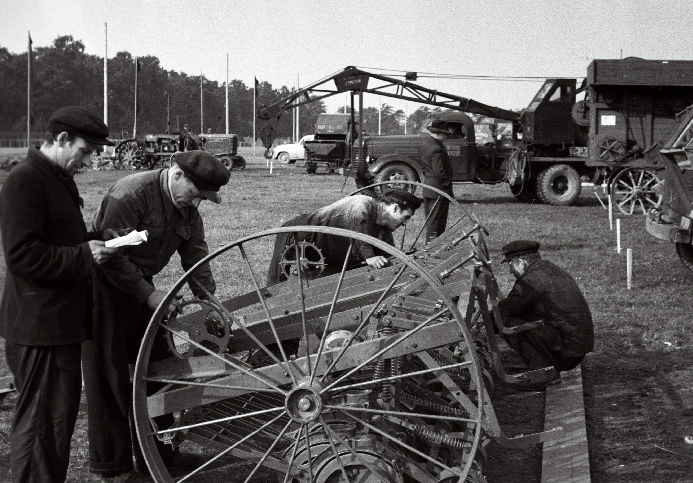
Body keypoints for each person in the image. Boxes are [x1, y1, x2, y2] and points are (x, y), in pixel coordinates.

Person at [81, 150, 230, 482]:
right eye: (195, 194)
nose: (195, 204)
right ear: (177, 174)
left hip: (137, 285)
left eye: (203, 199)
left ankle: (158, 455)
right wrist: (149, 295)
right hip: (100, 286)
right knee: (110, 376)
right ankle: (113, 469)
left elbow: (196, 254)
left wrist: (210, 302)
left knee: (157, 365)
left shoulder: (188, 209)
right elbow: (110, 254)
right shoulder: (132, 193)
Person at [0, 106, 118, 483]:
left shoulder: (56, 178)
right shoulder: (26, 181)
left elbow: (57, 239)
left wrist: (93, 242)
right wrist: (85, 255)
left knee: (55, 429)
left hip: (59, 326)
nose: (88, 160)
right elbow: (23, 257)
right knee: (41, 433)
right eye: (85, 151)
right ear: (62, 139)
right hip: (41, 331)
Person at [267, 189, 422, 284]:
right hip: (297, 235)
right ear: (395, 208)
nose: (404, 224)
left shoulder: (383, 226)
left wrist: (404, 261)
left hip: (325, 251)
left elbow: (387, 251)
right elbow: (357, 229)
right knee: (279, 284)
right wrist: (369, 257)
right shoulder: (362, 205)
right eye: (406, 217)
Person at [497, 240, 594, 388]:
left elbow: (505, 311)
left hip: (567, 352)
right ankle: (541, 368)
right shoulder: (549, 269)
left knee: (506, 323)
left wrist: (480, 321)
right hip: (576, 346)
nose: (510, 270)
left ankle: (542, 374)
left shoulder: (530, 281)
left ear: (521, 262)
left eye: (510, 263)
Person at [420, 118, 454, 243]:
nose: (445, 136)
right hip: (439, 190)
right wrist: (446, 186)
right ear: (439, 133)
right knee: (436, 222)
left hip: (429, 187)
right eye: (445, 134)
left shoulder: (426, 144)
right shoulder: (437, 149)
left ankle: (432, 245)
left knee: (431, 220)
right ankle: (432, 247)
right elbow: (440, 172)